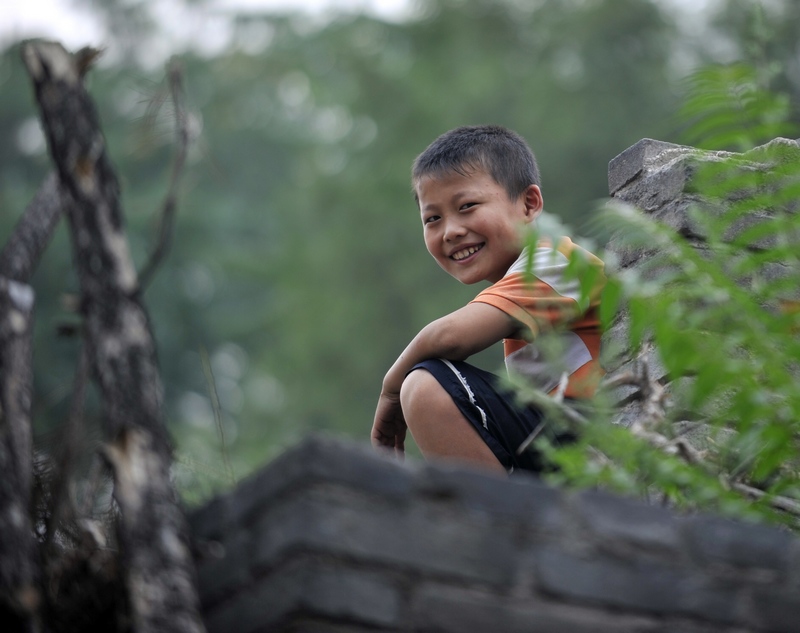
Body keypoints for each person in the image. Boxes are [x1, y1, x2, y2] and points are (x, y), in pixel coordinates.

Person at [370, 125, 606, 475]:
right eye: (432, 218)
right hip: (558, 444)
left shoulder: (558, 263)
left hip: (596, 443)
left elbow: (451, 338)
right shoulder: (522, 286)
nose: (450, 231)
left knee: (425, 386)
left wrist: (391, 390)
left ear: (529, 204)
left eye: (467, 206)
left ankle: (503, 521)